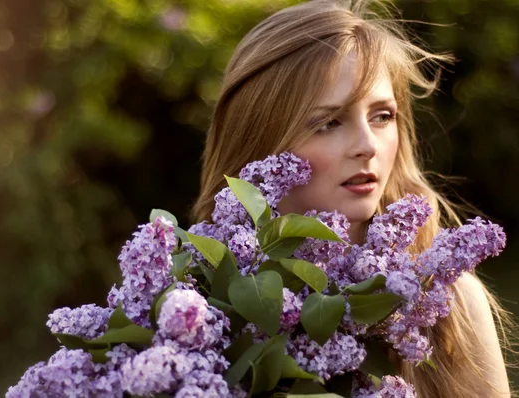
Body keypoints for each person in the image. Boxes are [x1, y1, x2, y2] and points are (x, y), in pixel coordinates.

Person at [190, 0, 512, 397]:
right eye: (327, 123)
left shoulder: (449, 308)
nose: (367, 145)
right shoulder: (194, 312)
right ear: (259, 143)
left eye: (382, 116)